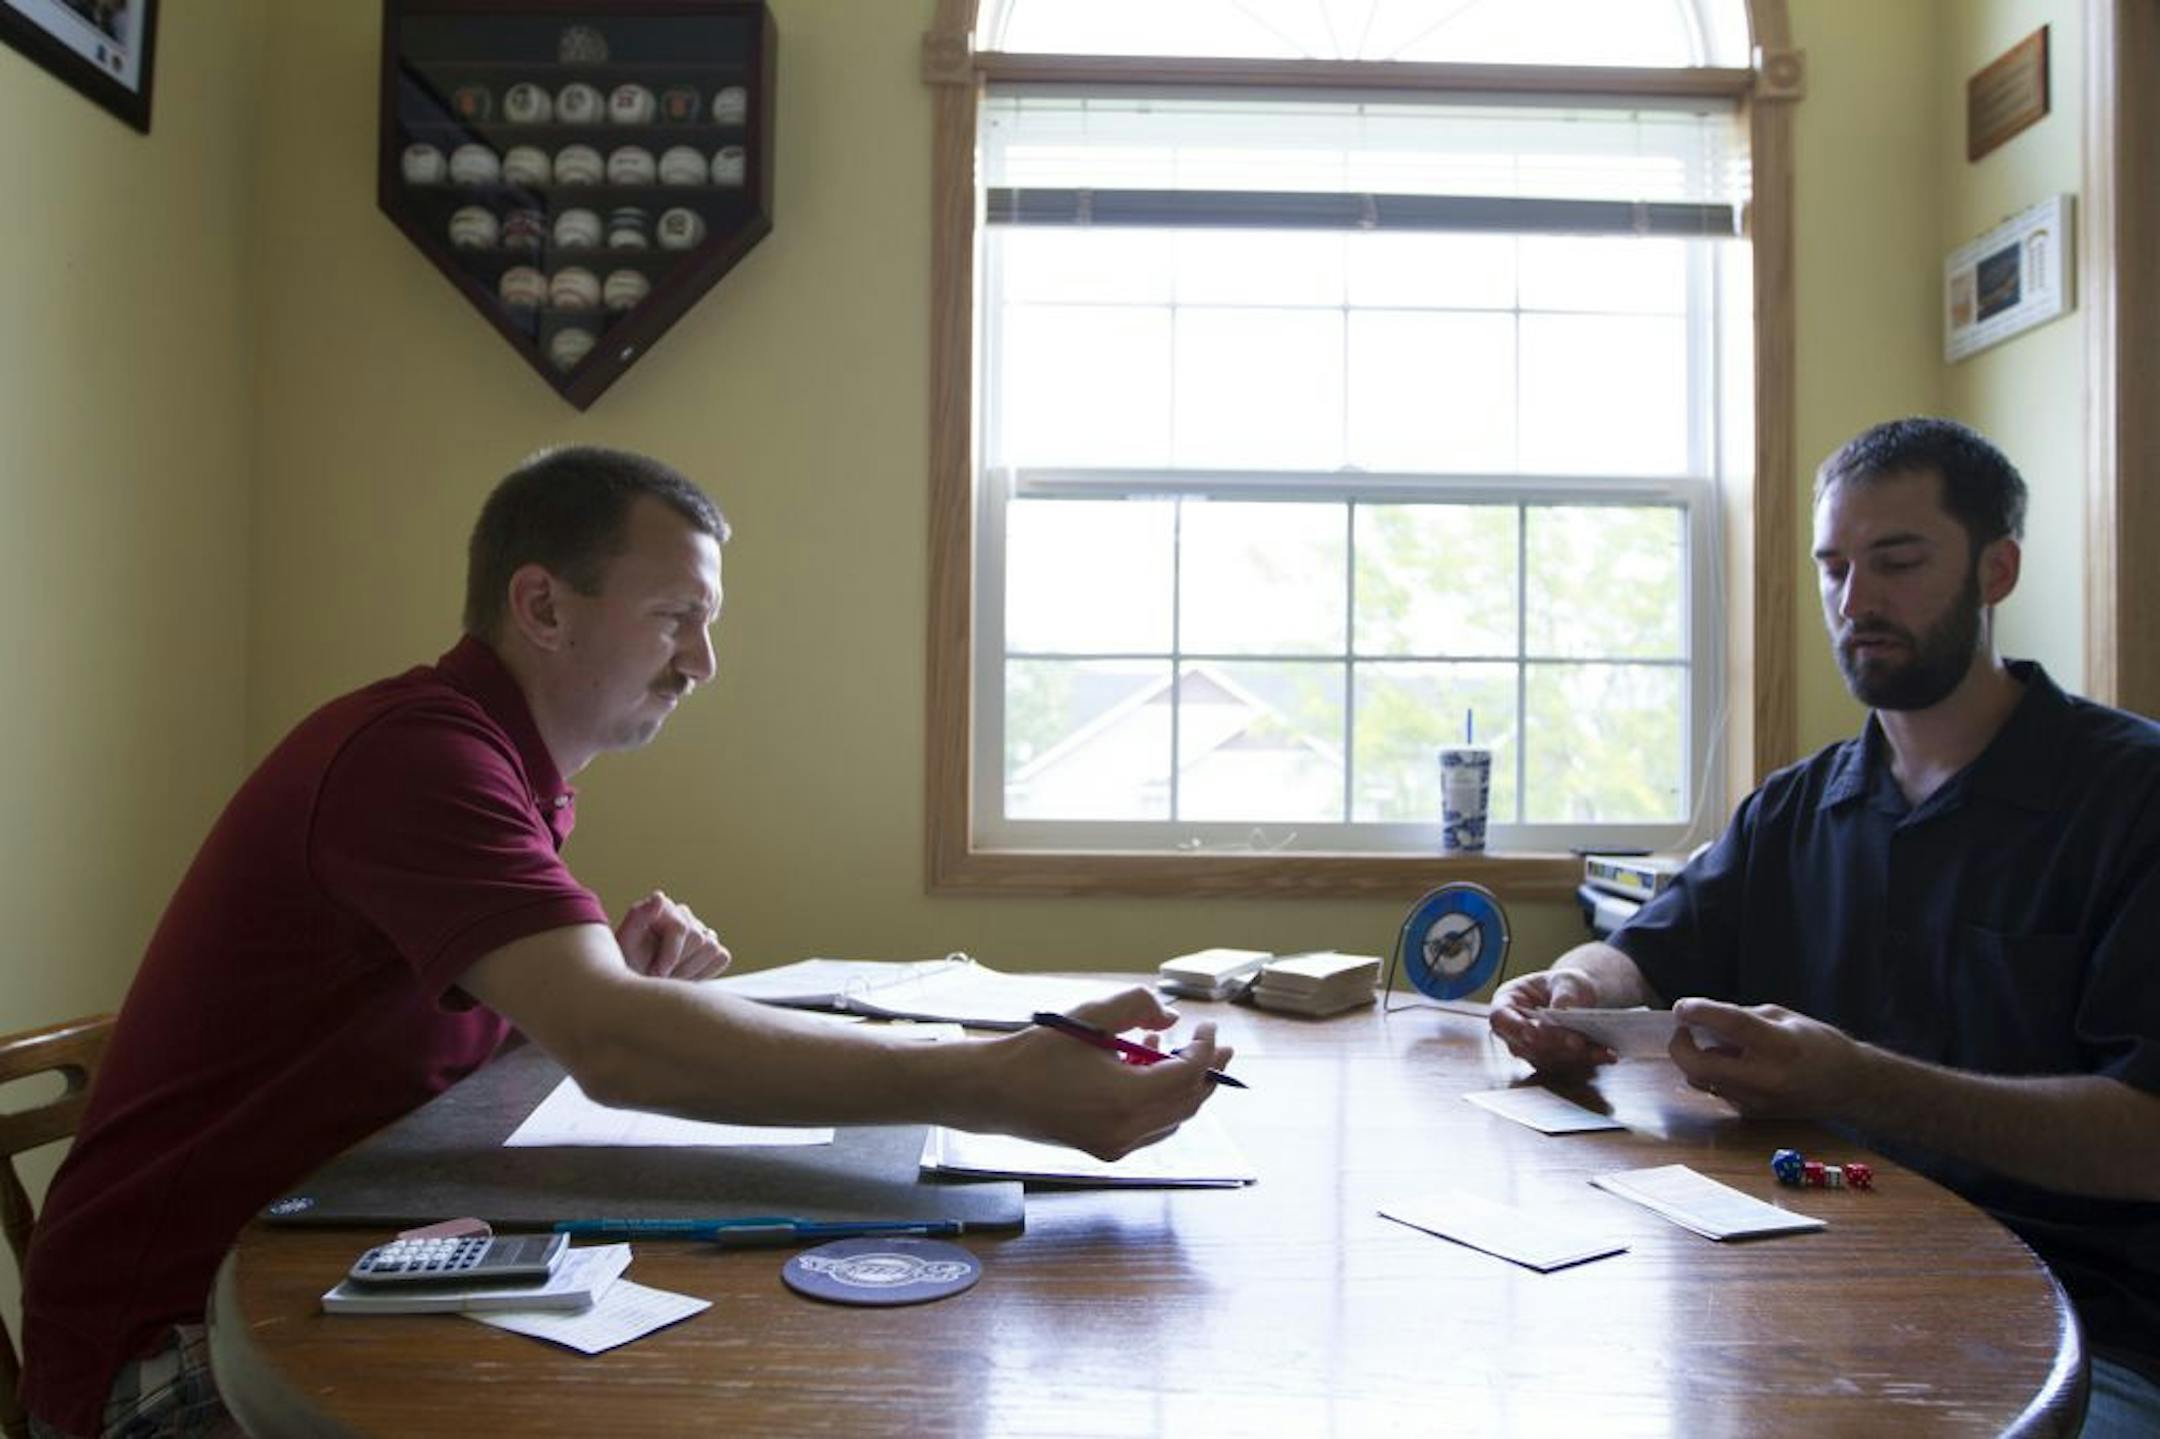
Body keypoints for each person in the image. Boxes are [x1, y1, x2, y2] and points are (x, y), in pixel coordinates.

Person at [19, 447, 1232, 1439]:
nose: (702, 663)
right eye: (675, 619)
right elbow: (614, 1050)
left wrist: (609, 992)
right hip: (175, 1360)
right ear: (541, 603)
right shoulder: (417, 757)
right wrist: (992, 1081)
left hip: (342, 1251)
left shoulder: (500, 765)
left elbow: (511, 1026)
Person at [1490, 417, 2160, 1435]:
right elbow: (1639, 950)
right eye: (1834, 566)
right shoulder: (1796, 807)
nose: (1856, 601)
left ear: (1997, 569)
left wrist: (1853, 1079)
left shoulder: (2130, 798)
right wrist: (1575, 989)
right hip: (1799, 1265)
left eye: (1896, 561)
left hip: (2079, 1327)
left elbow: (2146, 1139)